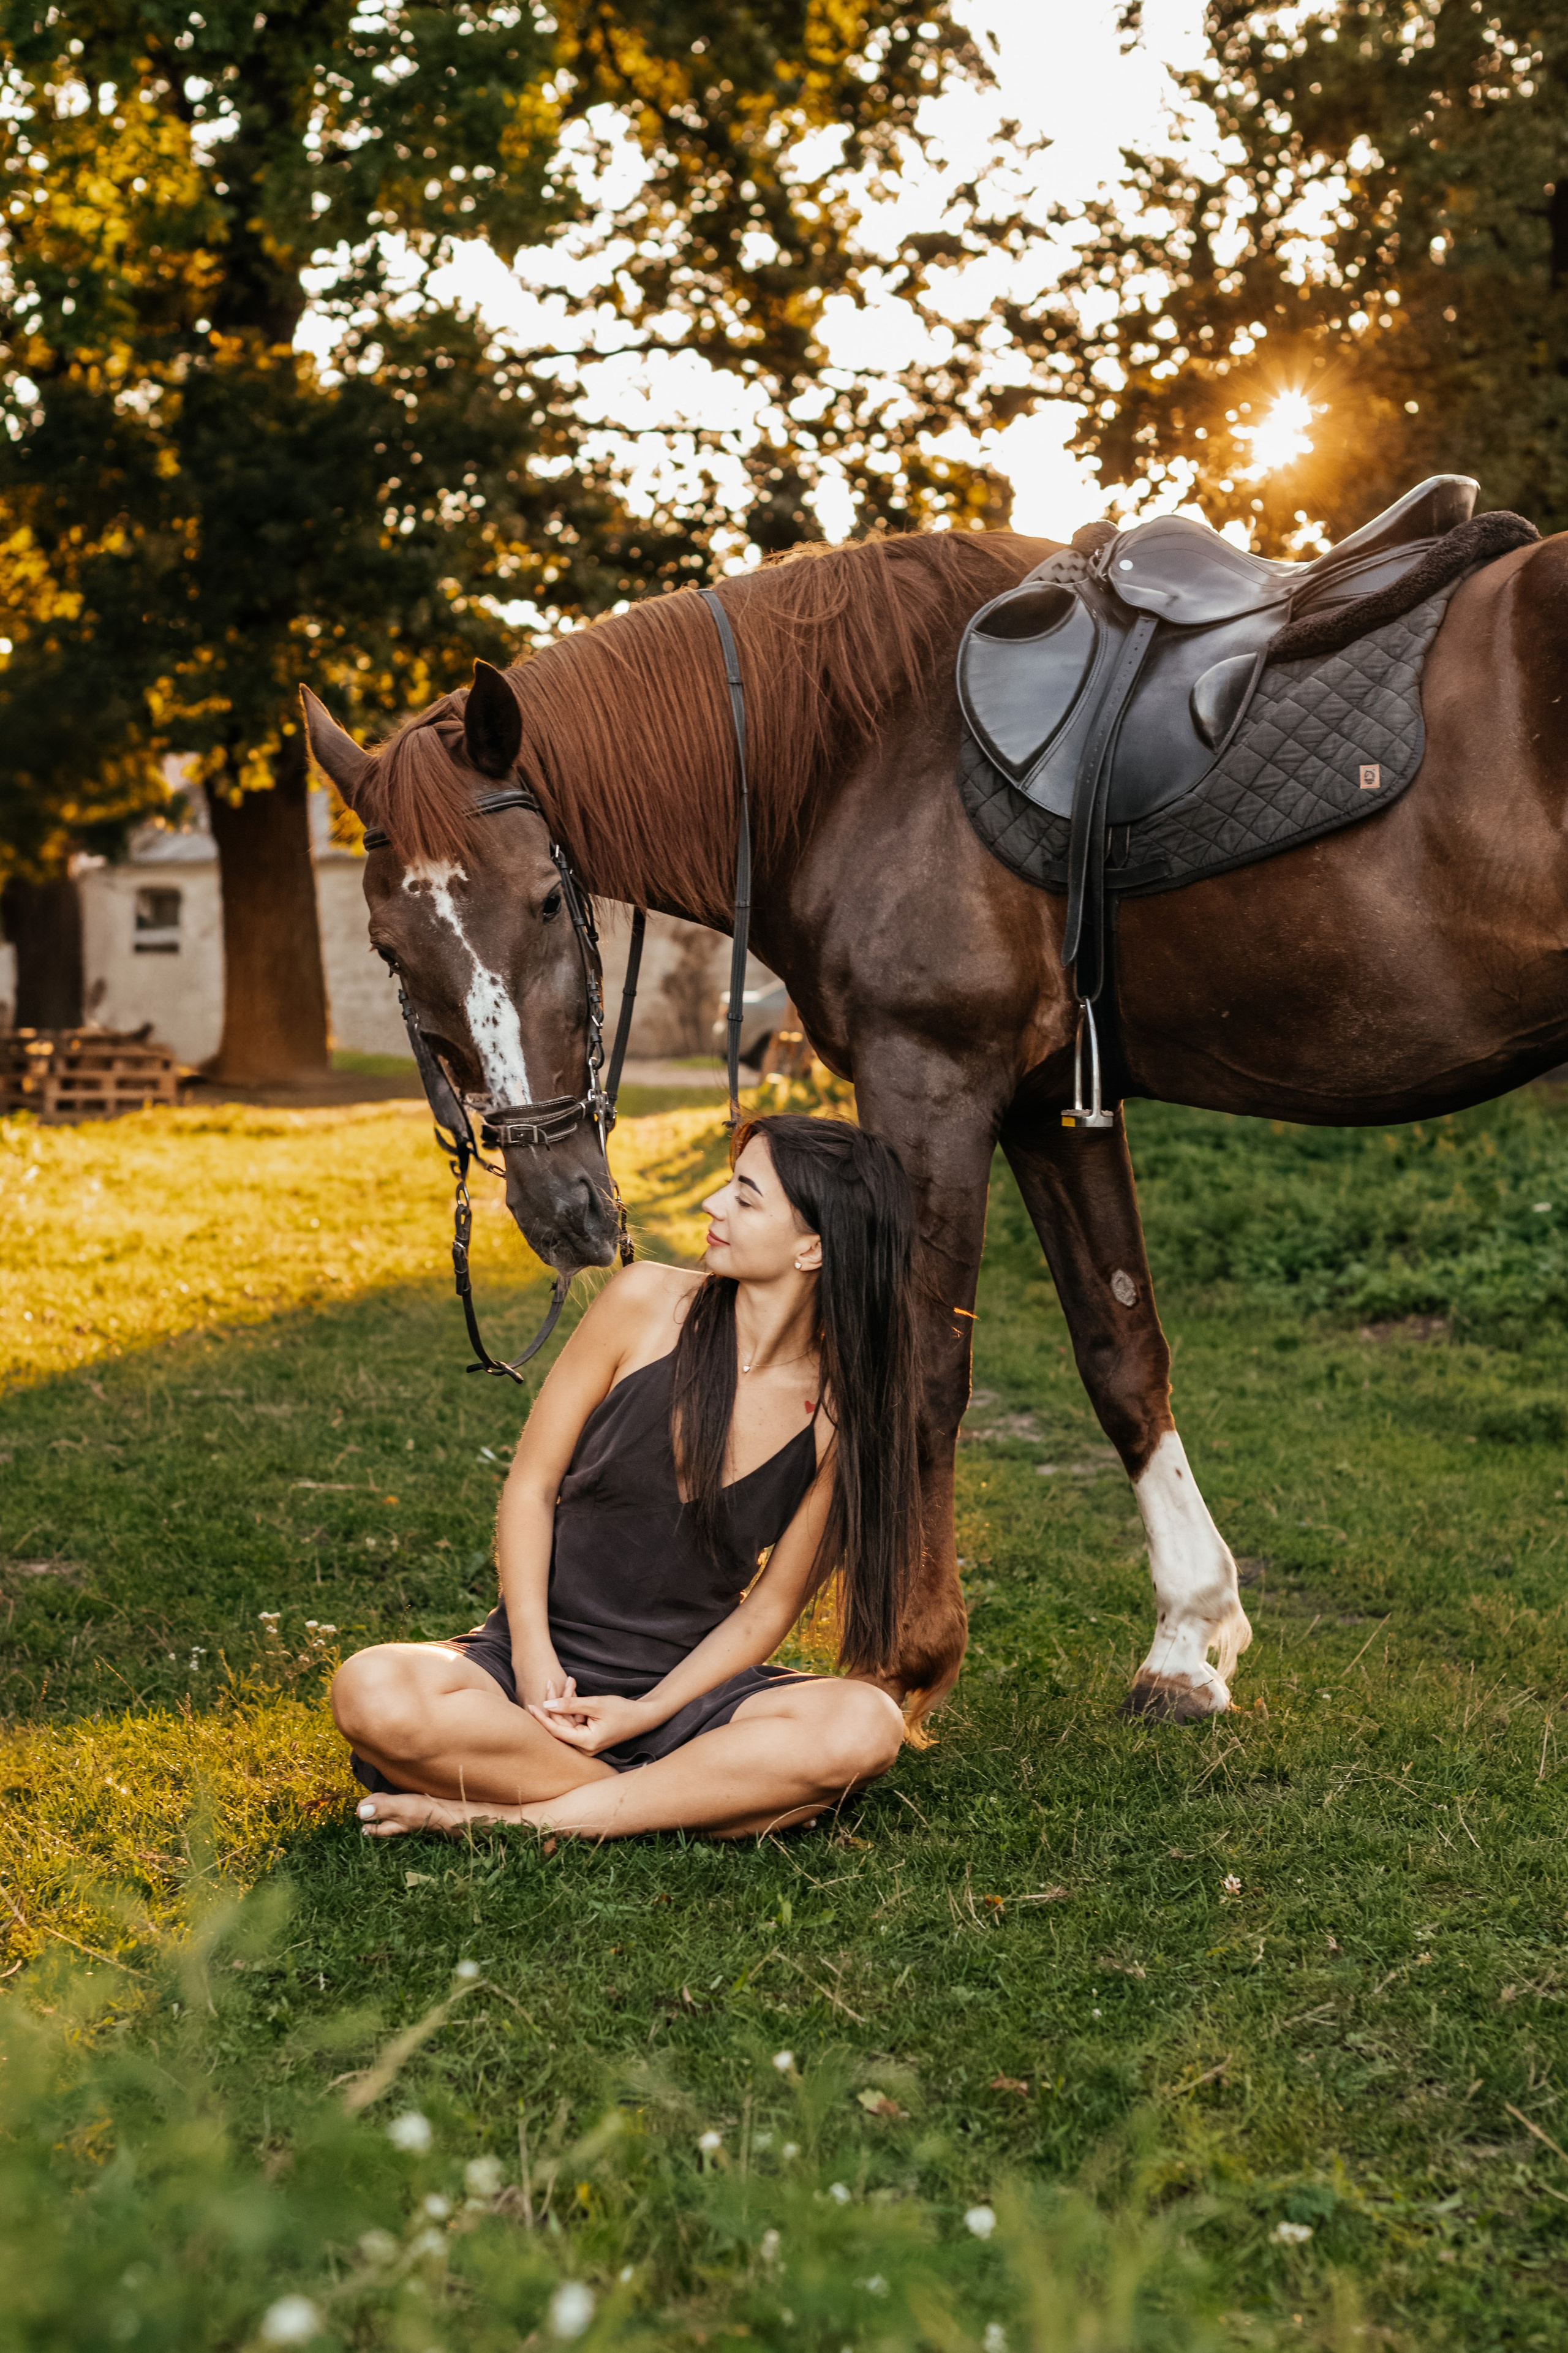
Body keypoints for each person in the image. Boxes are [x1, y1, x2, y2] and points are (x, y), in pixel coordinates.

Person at [334, 1114, 921, 1840]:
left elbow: (768, 1611)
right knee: (374, 1691)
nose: (712, 1204)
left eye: (745, 1195)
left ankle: (506, 1817)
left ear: (814, 1248)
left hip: (690, 1698)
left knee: (865, 1724)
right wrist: (532, 1659)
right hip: (535, 1676)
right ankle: (694, 1803)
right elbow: (530, 1488)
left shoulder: (841, 1410)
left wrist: (649, 1711)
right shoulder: (643, 1304)